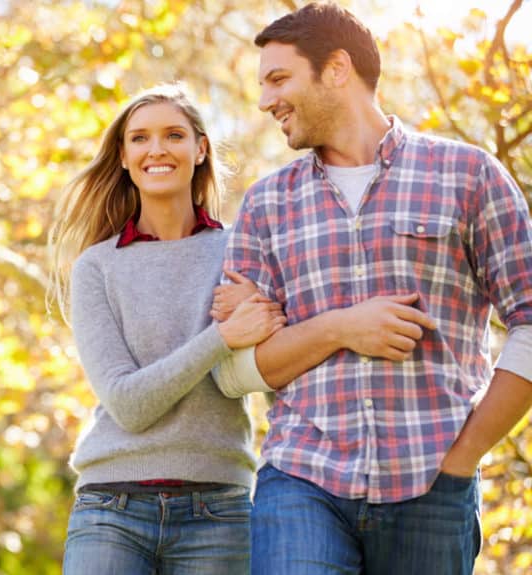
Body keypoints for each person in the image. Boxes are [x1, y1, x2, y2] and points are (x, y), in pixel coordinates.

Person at [215, 3, 532, 574]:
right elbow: (235, 370)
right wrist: (340, 326)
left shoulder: (468, 175)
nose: (265, 101)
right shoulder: (266, 203)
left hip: (433, 482)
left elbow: (531, 322)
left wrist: (465, 458)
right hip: (301, 477)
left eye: (279, 79)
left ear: (337, 69)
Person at [46, 83, 286, 574]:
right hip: (111, 510)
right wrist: (220, 338)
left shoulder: (241, 250)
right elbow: (128, 405)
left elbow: (269, 369)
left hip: (219, 511)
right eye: (140, 138)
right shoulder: (97, 267)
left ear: (200, 149)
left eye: (174, 135)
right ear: (124, 155)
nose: (157, 149)